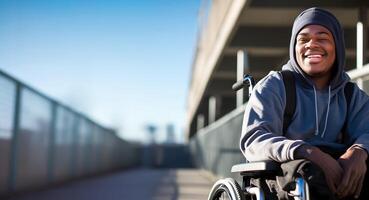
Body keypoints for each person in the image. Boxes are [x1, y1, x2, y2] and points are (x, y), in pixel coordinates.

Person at [240, 7, 369, 199]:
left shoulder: (351, 95)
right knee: (311, 174)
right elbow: (254, 140)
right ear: (294, 47)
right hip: (287, 171)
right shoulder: (275, 86)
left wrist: (359, 151)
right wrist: (309, 151)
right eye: (304, 39)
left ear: (337, 47)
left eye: (322, 38)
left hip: (338, 167)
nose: (312, 45)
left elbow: (366, 131)